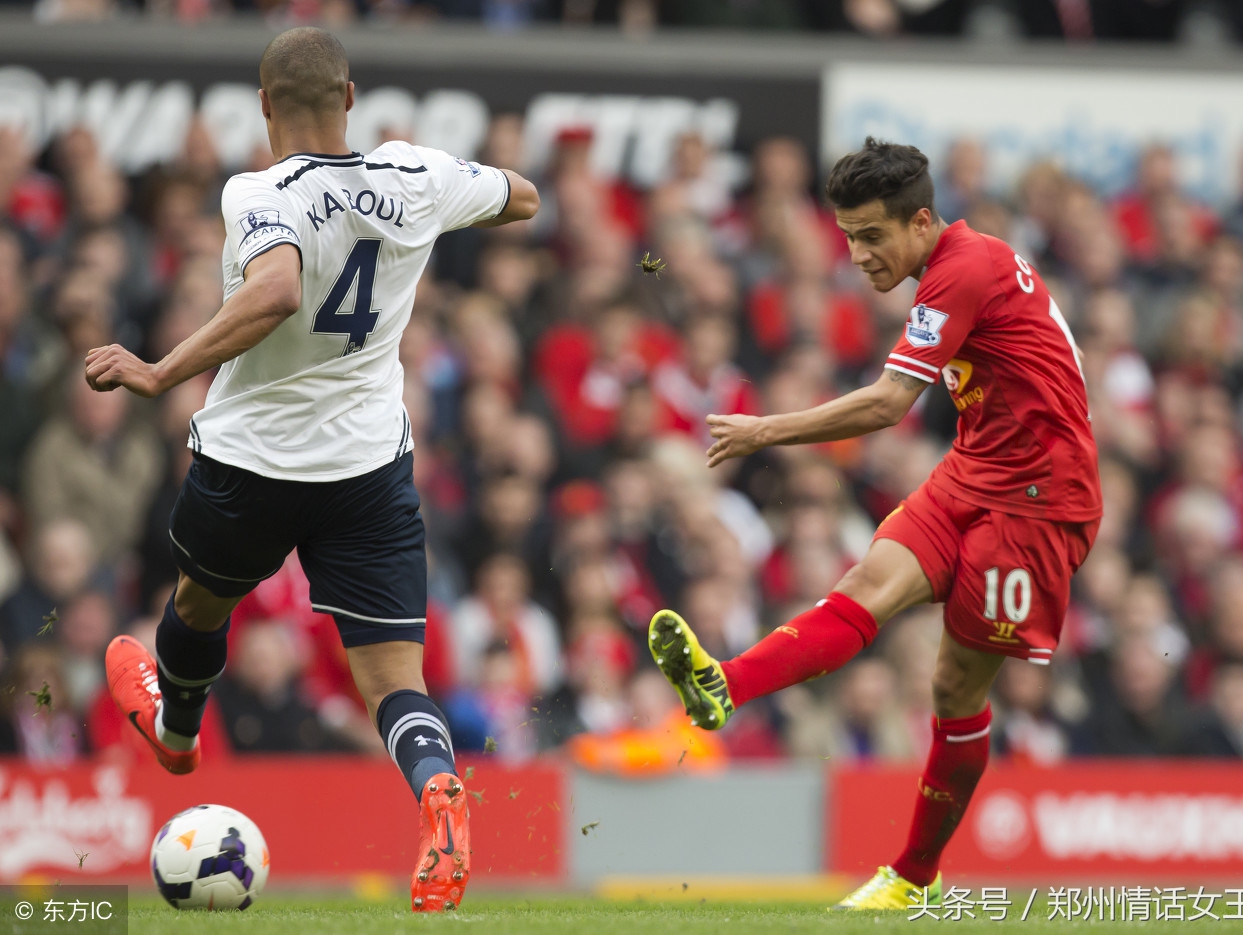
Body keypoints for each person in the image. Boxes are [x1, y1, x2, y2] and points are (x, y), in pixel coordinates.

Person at [84, 27, 538, 913]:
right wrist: (445, 192)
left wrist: (157, 370)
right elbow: (522, 198)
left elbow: (277, 289)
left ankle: (178, 734)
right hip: (367, 466)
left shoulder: (260, 189)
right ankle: (439, 787)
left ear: (262, 107)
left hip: (254, 459)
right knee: (393, 681)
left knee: (198, 602)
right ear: (352, 97)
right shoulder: (415, 174)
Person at [647, 137, 1100, 910]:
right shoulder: (962, 263)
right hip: (976, 467)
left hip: (1038, 502)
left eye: (871, 235)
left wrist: (764, 430)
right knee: (865, 582)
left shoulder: (963, 268)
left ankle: (913, 877)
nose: (856, 254)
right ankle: (724, 685)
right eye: (848, 235)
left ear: (921, 222)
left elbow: (889, 405)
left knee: (954, 686)